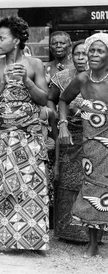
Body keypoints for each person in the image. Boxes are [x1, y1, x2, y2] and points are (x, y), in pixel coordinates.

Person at [0, 15, 49, 256]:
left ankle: (35, 241)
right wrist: (1, 85)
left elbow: (44, 99)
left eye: (1, 38)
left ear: (17, 40)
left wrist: (26, 81)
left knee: (31, 187)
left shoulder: (35, 64)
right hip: (0, 138)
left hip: (29, 137)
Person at [59, 33, 108, 257]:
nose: (94, 55)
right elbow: (62, 99)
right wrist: (63, 125)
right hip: (90, 146)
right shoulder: (82, 79)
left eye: (101, 51)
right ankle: (93, 244)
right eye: (92, 50)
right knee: (91, 188)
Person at [48, 40, 89, 241]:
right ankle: (66, 229)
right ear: (71, 56)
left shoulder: (99, 78)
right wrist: (55, 118)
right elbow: (51, 98)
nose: (81, 58)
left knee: (89, 181)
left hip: (91, 136)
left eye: (85, 54)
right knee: (65, 180)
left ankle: (89, 230)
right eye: (78, 54)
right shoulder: (62, 76)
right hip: (66, 135)